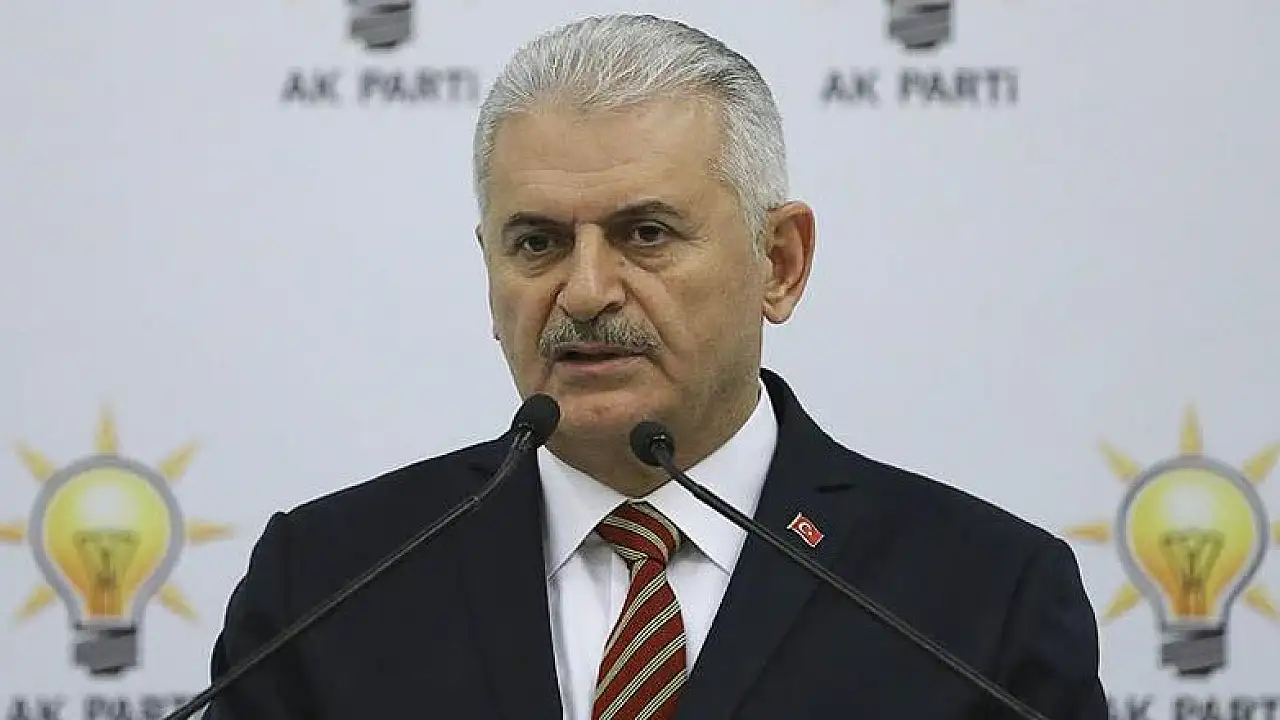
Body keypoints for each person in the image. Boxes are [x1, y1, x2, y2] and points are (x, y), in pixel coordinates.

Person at [205, 14, 1108, 720]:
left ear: (780, 262)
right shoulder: (326, 582)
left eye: (645, 233)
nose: (586, 290)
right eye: (537, 243)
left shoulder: (982, 596)